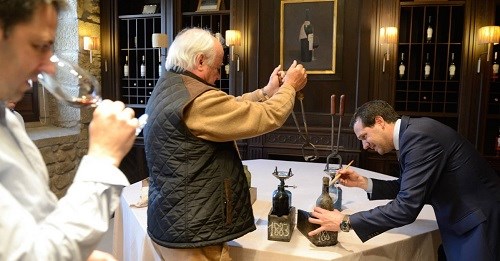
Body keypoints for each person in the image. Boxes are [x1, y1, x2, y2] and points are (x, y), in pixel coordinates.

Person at [144, 27, 308, 260]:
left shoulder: (171, 87)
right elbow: (269, 116)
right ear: (200, 61)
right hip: (193, 232)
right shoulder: (197, 100)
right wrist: (290, 86)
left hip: (175, 220)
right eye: (218, 67)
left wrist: (267, 91)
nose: (219, 75)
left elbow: (231, 106)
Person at [0, 0, 139, 260]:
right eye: (39, 46)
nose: (50, 67)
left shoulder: (10, 120)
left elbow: (37, 222)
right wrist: (103, 158)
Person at [308, 100, 500, 261]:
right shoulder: (412, 134)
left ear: (380, 121)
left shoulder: (419, 138)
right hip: (463, 221)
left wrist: (345, 221)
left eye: (364, 136)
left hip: (477, 224)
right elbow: (408, 187)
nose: (364, 145)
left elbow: (406, 208)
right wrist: (363, 182)